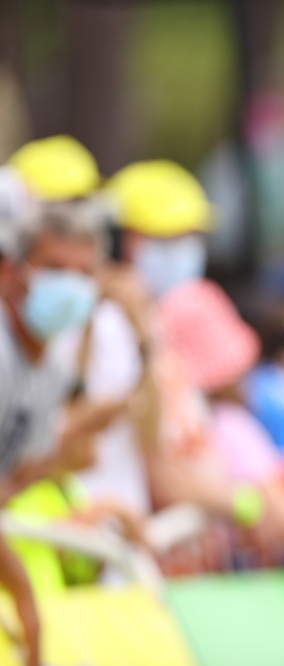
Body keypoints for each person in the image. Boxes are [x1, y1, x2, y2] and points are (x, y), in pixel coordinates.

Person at [0, 200, 124, 666]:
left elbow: (11, 484)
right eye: (55, 268)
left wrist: (71, 438)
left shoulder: (50, 366)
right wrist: (24, 596)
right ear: (12, 273)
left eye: (82, 273)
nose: (70, 287)